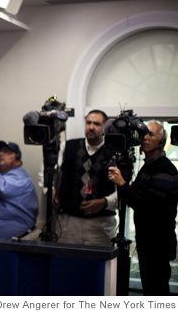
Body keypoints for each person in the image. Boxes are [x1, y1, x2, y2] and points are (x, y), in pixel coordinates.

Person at [108, 121, 178, 295]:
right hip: (148, 241)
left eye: (151, 135)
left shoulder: (164, 170)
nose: (145, 138)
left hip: (158, 243)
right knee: (150, 288)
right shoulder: (148, 166)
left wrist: (122, 184)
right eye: (143, 134)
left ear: (162, 142)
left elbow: (147, 207)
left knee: (157, 290)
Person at [56, 110, 117, 246]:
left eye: (96, 124)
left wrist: (105, 201)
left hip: (100, 224)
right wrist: (50, 190)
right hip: (69, 222)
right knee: (67, 262)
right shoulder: (68, 146)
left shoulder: (113, 152)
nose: (91, 127)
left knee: (99, 265)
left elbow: (123, 188)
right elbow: (47, 171)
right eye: (88, 122)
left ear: (105, 128)